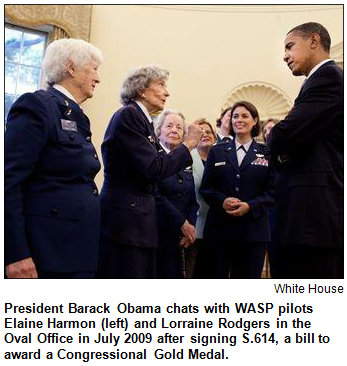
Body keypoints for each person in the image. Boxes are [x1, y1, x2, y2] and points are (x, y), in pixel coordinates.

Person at [5, 38, 103, 278]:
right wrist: (14, 253)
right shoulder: (38, 106)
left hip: (76, 249)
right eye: (94, 69)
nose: (98, 78)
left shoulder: (76, 115)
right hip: (46, 253)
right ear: (71, 67)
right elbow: (8, 182)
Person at [98, 65, 203, 278]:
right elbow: (153, 168)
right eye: (161, 85)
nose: (167, 92)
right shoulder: (129, 115)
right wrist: (189, 144)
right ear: (142, 89)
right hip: (126, 223)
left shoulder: (142, 120)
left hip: (140, 223)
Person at [267, 22, 343, 279]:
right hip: (308, 213)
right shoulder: (319, 81)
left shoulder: (327, 78)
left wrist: (280, 145)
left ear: (313, 41)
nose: (285, 55)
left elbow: (282, 135)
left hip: (313, 216)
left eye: (289, 46)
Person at [200, 101, 276, 278]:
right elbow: (206, 188)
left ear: (255, 120)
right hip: (220, 230)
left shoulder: (266, 153)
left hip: (253, 232)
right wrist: (222, 201)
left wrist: (251, 206)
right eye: (235, 116)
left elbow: (273, 192)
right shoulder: (217, 151)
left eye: (244, 116)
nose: (238, 120)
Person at [154, 109, 199, 278]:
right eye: (169, 126)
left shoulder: (186, 161)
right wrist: (182, 223)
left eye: (179, 127)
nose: (174, 130)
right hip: (158, 233)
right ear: (159, 131)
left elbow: (192, 201)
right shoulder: (154, 158)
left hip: (181, 238)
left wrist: (190, 229)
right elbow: (156, 195)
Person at [188, 119, 217, 278]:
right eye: (201, 132)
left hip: (217, 228)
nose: (205, 134)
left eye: (209, 131)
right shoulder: (186, 158)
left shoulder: (222, 159)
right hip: (194, 227)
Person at [261, 118, 279, 278]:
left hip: (281, 211)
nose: (268, 133)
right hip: (263, 210)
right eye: (265, 130)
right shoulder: (261, 153)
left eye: (272, 129)